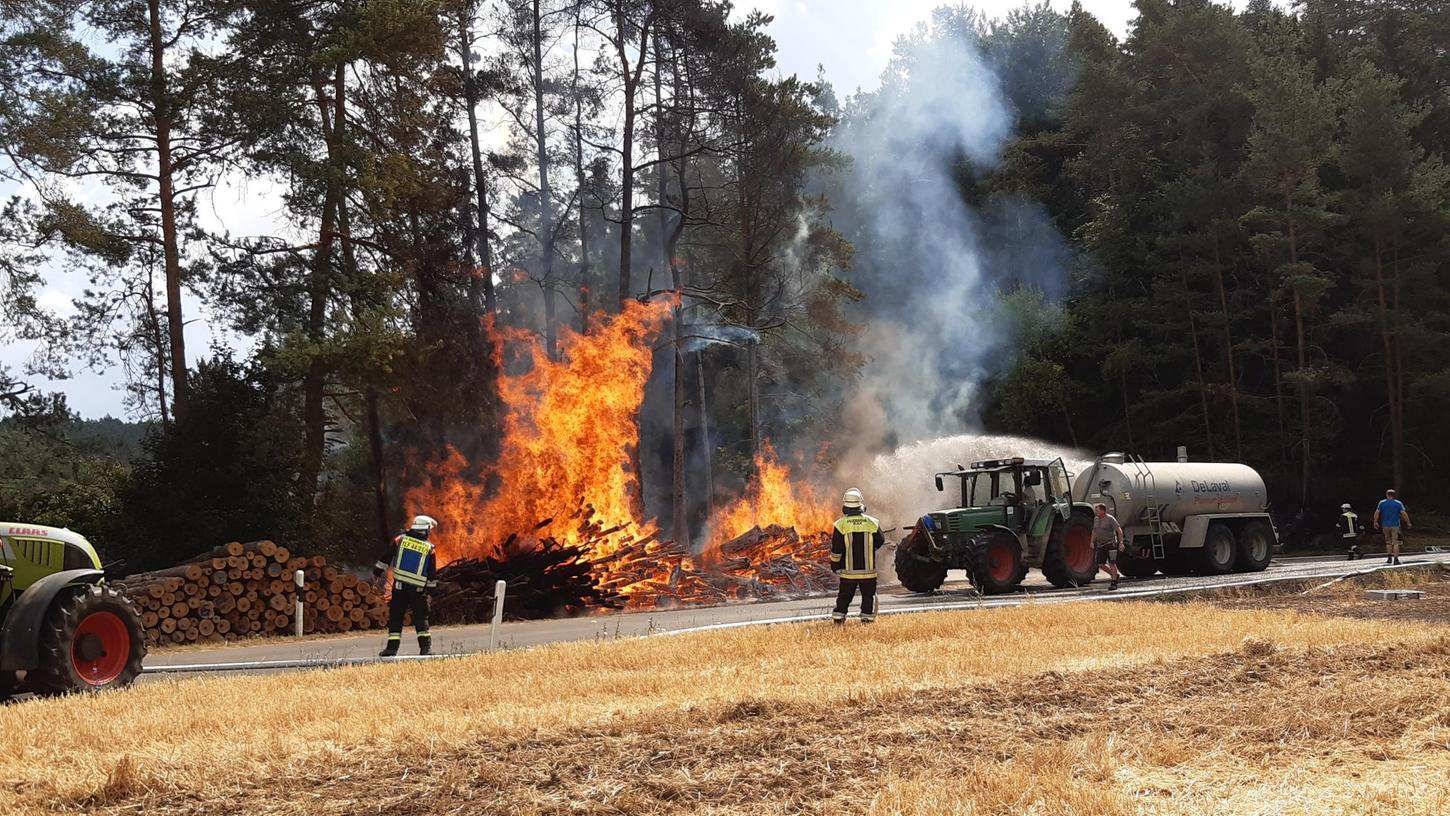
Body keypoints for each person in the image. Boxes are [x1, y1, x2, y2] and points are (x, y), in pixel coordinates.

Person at [373, 514, 439, 657]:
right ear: (426, 529)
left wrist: (377, 572)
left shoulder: (400, 540)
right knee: (421, 619)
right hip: (418, 591)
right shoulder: (429, 548)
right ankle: (425, 649)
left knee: (396, 617)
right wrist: (431, 594)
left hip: (400, 588)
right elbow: (432, 575)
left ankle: (391, 649)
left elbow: (386, 557)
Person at [830, 488, 885, 624]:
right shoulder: (872, 522)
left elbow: (836, 549)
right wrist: (871, 549)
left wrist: (835, 565)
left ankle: (839, 618)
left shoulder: (840, 525)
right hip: (868, 573)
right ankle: (866, 620)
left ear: (845, 507)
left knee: (844, 596)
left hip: (849, 573)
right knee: (868, 596)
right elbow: (880, 540)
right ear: (861, 505)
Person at [1373, 489, 1412, 565]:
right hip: (1395, 525)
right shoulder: (1398, 503)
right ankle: (1396, 559)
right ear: (1394, 495)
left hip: (1385, 525)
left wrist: (1375, 522)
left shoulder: (1381, 503)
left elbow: (1377, 512)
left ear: (1387, 495)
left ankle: (1389, 558)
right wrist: (1408, 522)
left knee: (1388, 542)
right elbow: (1404, 513)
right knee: (1395, 542)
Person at [1092, 503, 1124, 590]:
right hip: (1100, 545)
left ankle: (1114, 583)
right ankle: (1114, 575)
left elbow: (1119, 530)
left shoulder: (1110, 519)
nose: (1096, 512)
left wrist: (1121, 543)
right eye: (1095, 510)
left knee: (1112, 563)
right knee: (1100, 564)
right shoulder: (1096, 519)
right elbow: (1094, 531)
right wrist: (1092, 541)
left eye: (1097, 510)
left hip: (1111, 544)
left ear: (1103, 511)